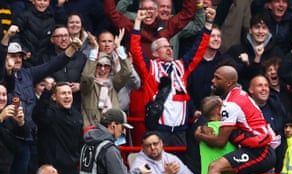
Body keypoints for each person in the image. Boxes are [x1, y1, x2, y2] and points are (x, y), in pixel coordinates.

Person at [172, 65, 277, 174]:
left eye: (217, 78)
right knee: (218, 169)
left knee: (215, 167)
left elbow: (221, 141)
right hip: (257, 149)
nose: (213, 81)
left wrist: (199, 136)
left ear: (228, 83)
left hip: (261, 152)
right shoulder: (239, 96)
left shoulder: (231, 104)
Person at [1, 24, 83, 174]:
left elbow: (52, 65)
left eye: (20, 56)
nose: (17, 59)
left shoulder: (28, 74)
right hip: (8, 137)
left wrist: (71, 50)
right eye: (12, 56)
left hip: (30, 136)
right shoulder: (3, 75)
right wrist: (6, 38)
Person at [129, 7, 214, 147]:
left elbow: (199, 49)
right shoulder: (150, 68)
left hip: (181, 131)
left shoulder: (182, 66)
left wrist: (209, 23)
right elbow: (135, 50)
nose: (169, 49)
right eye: (164, 47)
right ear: (155, 53)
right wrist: (137, 23)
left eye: (170, 46)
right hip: (158, 130)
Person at [103, 0, 196, 58]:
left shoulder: (166, 27)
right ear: (139, 12)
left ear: (157, 12)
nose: (148, 12)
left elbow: (187, 13)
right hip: (136, 80)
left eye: (151, 9)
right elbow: (111, 13)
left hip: (158, 80)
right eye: (144, 9)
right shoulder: (131, 27)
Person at [80, 28, 131, 128]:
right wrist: (94, 50)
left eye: (106, 66)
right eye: (99, 65)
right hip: (94, 131)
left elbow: (127, 72)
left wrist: (119, 47)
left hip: (113, 129)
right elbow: (86, 76)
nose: (102, 69)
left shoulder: (114, 83)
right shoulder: (88, 85)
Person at [32, 82, 83, 174]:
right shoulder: (49, 113)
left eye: (69, 93)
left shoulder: (76, 114)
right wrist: (46, 92)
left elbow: (80, 141)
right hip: (52, 172)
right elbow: (38, 114)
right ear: (54, 97)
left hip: (72, 170)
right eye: (63, 93)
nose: (67, 96)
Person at [130, 131, 198, 174]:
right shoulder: (140, 163)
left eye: (155, 143)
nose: (152, 148)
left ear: (161, 143)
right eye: (148, 145)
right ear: (143, 147)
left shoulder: (172, 158)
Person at [0, 81, 28, 174]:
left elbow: (23, 137)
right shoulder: (4, 114)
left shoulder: (9, 116)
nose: (2, 98)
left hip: (5, 172)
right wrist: (1, 118)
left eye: (4, 95)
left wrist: (21, 123)